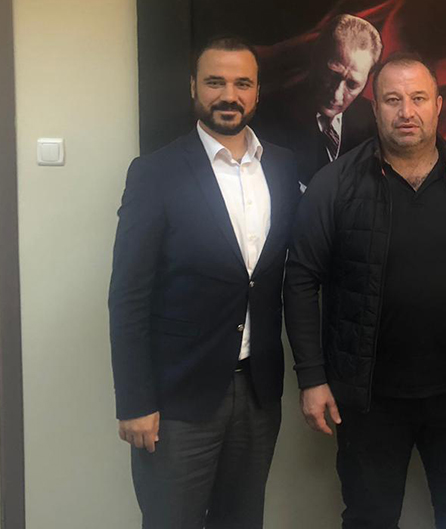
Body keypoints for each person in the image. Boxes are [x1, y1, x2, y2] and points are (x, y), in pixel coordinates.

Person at [284, 53, 446, 528]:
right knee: (369, 518)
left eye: (418, 98)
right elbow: (300, 279)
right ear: (374, 109)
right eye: (392, 100)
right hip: (369, 397)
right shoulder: (335, 184)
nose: (406, 112)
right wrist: (311, 378)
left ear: (438, 105)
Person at [108, 36, 300, 529]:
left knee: (242, 520)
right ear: (194, 87)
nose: (228, 95)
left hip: (258, 393)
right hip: (177, 399)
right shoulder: (155, 172)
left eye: (242, 83)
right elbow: (128, 296)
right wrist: (135, 401)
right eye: (215, 82)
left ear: (257, 92)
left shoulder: (282, 167)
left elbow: (283, 278)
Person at [258, 14, 382, 187]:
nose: (337, 95)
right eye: (332, 75)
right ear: (315, 58)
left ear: (368, 79)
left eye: (352, 84)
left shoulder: (374, 120)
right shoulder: (270, 115)